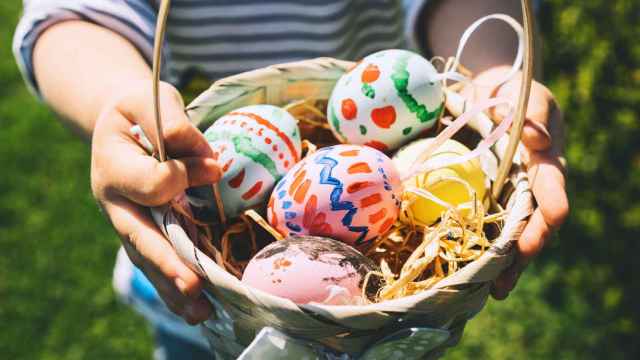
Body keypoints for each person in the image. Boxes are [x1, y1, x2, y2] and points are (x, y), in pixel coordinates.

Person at [13, 0, 568, 358]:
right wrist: (120, 101)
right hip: (203, 298)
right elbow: (72, 17)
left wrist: (492, 80)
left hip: (382, 330)